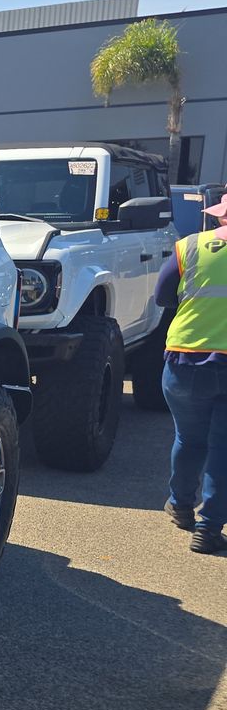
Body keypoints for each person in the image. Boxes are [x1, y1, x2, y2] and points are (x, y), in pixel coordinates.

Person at [156, 195, 227, 553]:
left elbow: (162, 295)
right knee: (223, 447)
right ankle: (209, 528)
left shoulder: (191, 247)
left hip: (186, 357)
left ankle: (181, 505)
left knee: (188, 438)